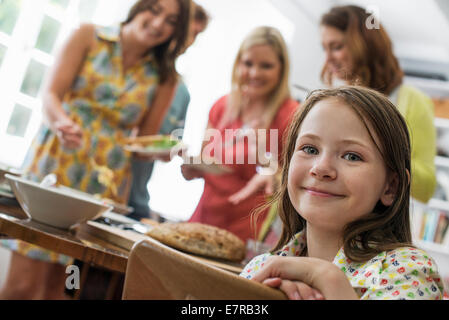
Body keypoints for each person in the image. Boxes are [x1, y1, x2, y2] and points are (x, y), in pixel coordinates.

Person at [0, 0, 192, 300]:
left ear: (175, 33)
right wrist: (62, 122)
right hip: (56, 163)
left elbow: (142, 144)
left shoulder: (166, 78)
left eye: (170, 21)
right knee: (21, 285)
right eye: (154, 10)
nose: (158, 24)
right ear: (139, 7)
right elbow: (51, 94)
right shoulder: (88, 36)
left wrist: (165, 151)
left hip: (104, 184)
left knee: (61, 288)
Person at [240, 86, 444, 300]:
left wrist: (327, 277)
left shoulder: (409, 273)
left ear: (391, 186)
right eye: (310, 149)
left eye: (352, 156)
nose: (321, 168)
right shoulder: (261, 268)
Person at [181, 26, 299, 242]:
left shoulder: (290, 116)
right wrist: (190, 167)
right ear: (238, 63)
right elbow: (201, 166)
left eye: (266, 66)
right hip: (202, 222)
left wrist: (269, 167)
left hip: (248, 233)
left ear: (281, 69)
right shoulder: (221, 106)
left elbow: (291, 181)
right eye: (248, 63)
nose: (254, 73)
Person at [320, 5, 436, 203]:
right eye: (325, 48)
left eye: (337, 47)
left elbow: (426, 188)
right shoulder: (335, 101)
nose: (328, 59)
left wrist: (384, 154)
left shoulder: (412, 101)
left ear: (365, 45)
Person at [127, 2, 210, 222]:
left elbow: (162, 148)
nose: (189, 40)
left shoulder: (180, 91)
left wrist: (172, 150)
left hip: (134, 198)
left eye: (196, 35)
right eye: (188, 31)